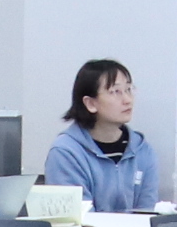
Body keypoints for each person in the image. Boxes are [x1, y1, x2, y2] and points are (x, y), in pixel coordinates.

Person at [42, 58, 163, 211]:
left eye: (128, 89)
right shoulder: (66, 152)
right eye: (115, 92)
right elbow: (79, 217)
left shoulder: (142, 150)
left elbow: (147, 211)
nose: (127, 100)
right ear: (90, 103)